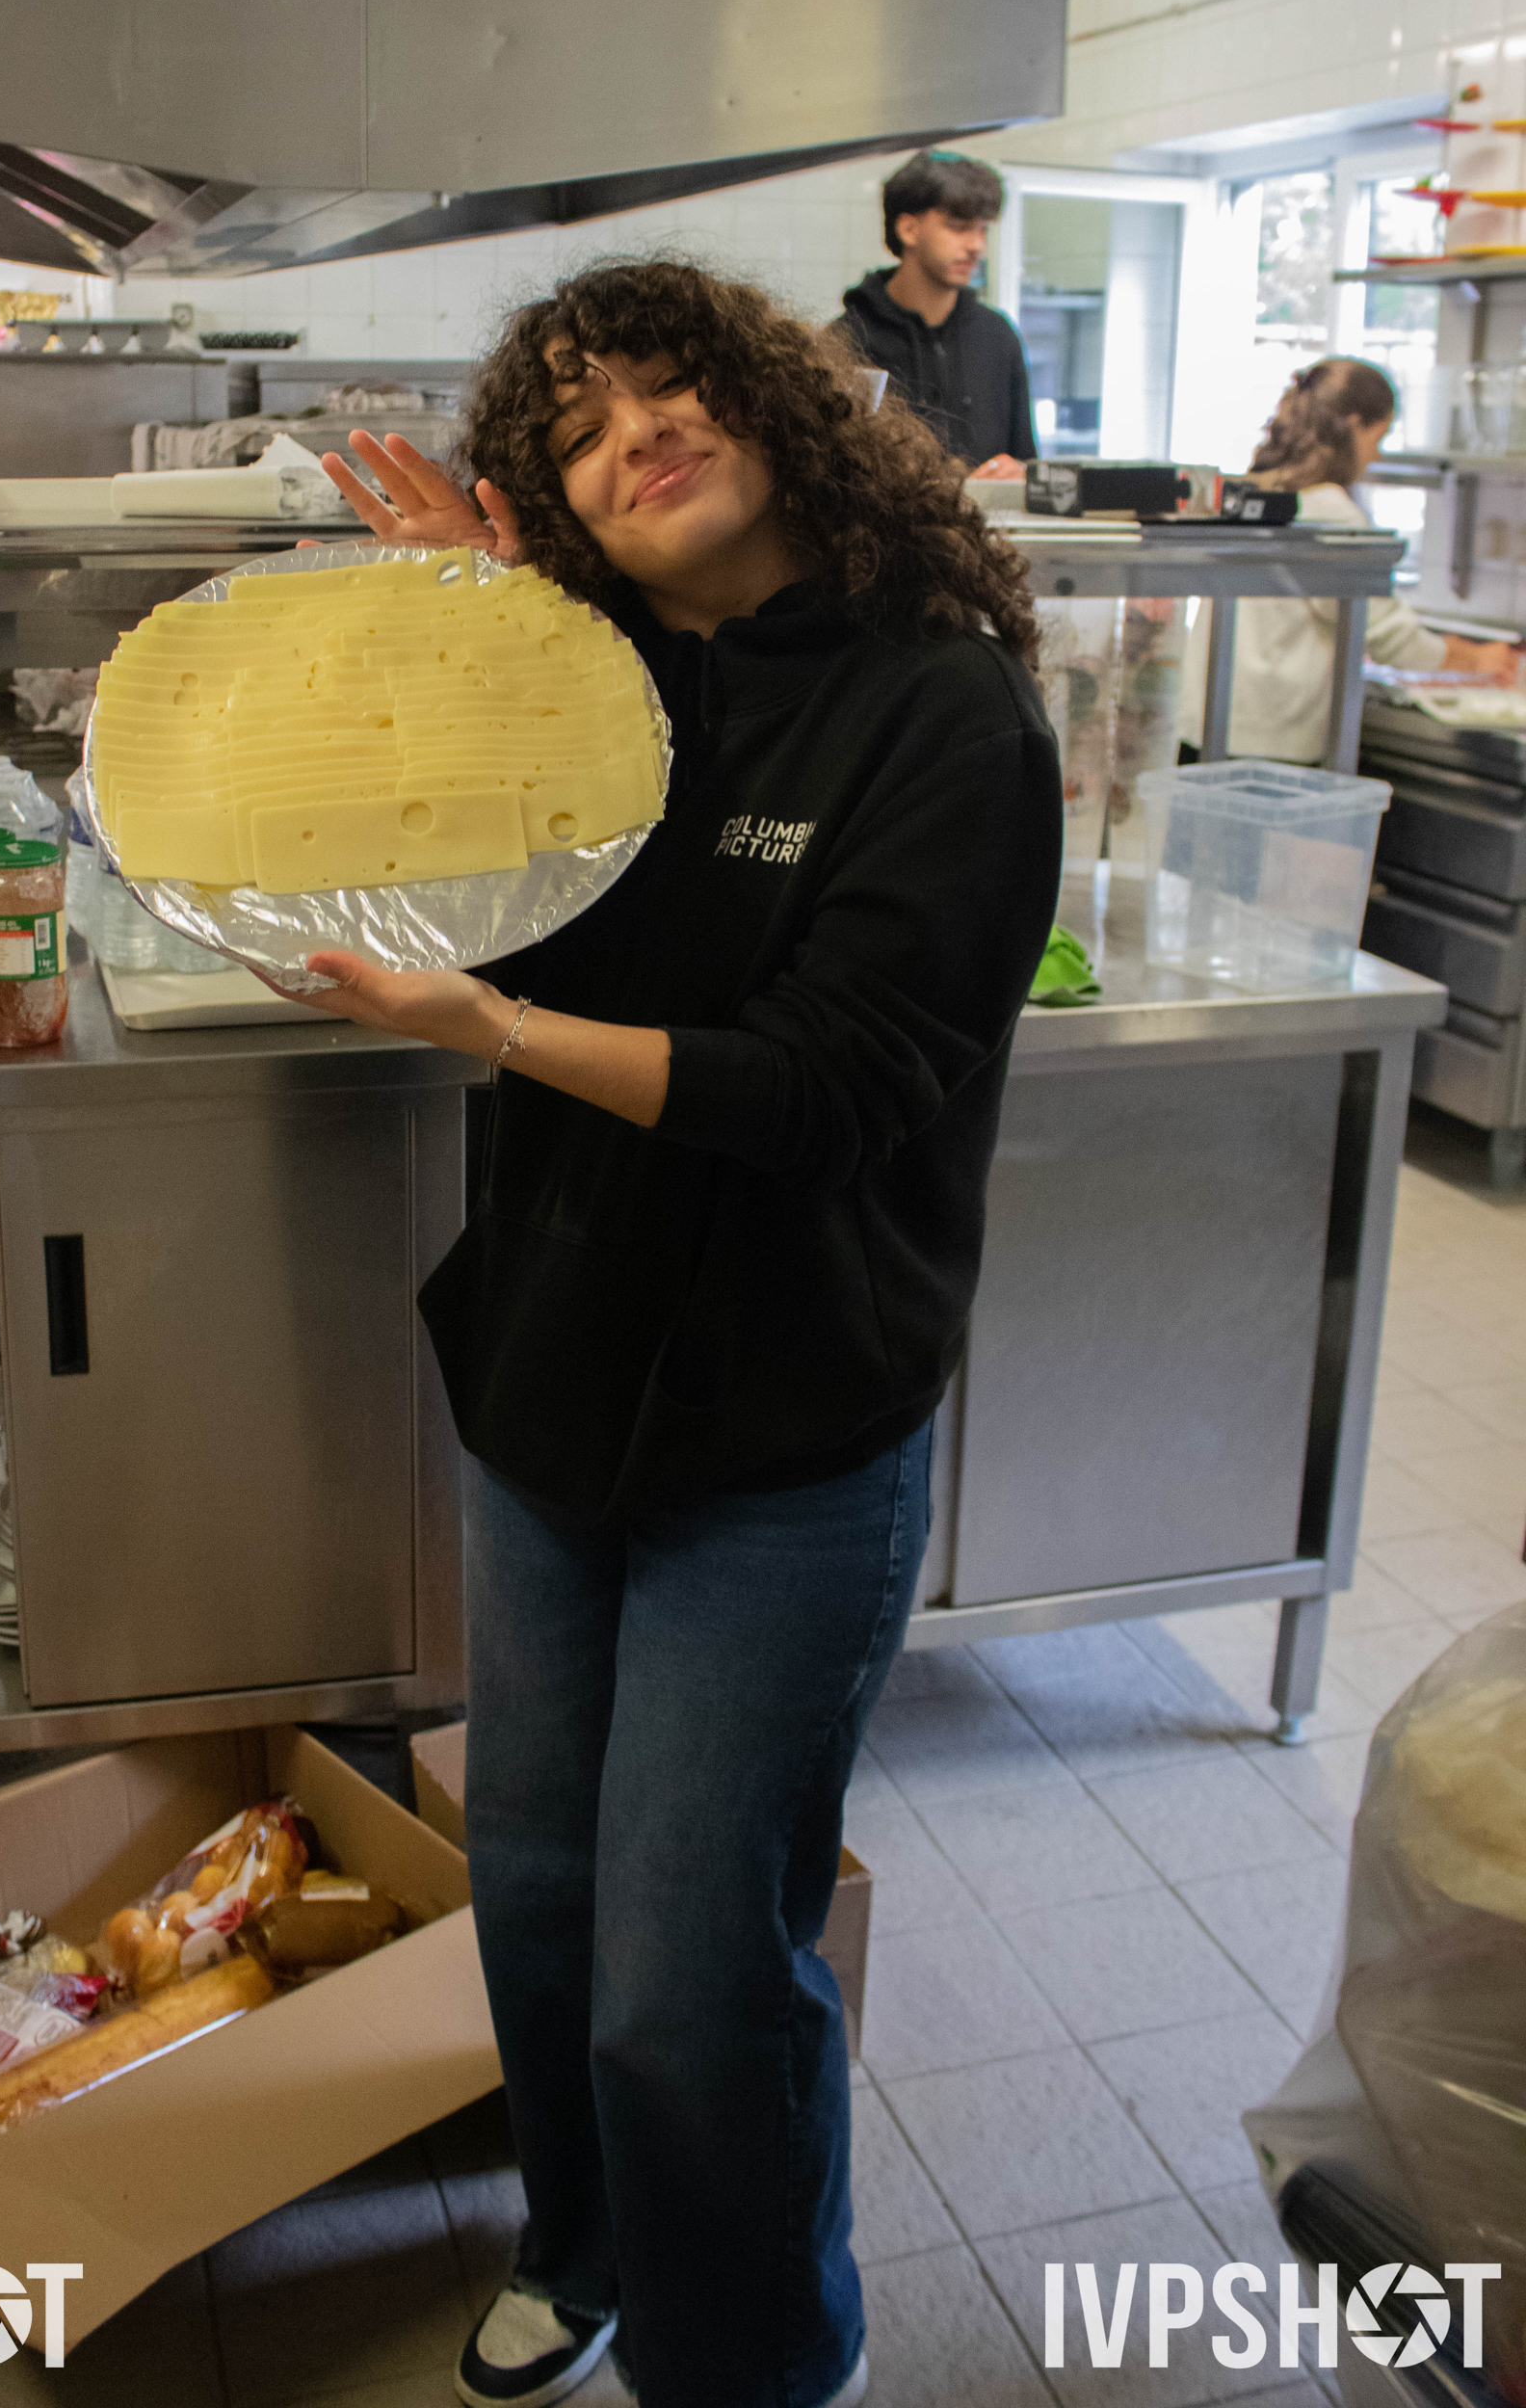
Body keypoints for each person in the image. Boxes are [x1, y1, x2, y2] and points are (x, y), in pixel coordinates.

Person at [312, 261, 1061, 2408]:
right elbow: (437, 849)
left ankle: (759, 2361)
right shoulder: (591, 673)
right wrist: (477, 633)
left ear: (775, 405)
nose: (632, 436)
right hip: (552, 1375)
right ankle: (581, 2247)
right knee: (538, 1891)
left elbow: (827, 1089)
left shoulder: (945, 715)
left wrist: (492, 1030)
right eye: (576, 433)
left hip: (787, 1423)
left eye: (667, 389)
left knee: (687, 1969)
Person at [1178, 357, 1517, 762]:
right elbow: (1389, 636)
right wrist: (1478, 658)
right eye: (1378, 438)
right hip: (1268, 742)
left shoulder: (1258, 492)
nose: (1375, 457)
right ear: (1354, 425)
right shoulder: (1329, 511)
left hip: (1203, 725)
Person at [835, 149, 1038, 477]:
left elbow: (1026, 459)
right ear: (909, 229)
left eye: (983, 230)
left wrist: (1019, 474)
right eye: (959, 227)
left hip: (985, 513)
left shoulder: (998, 336)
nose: (976, 246)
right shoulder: (844, 342)